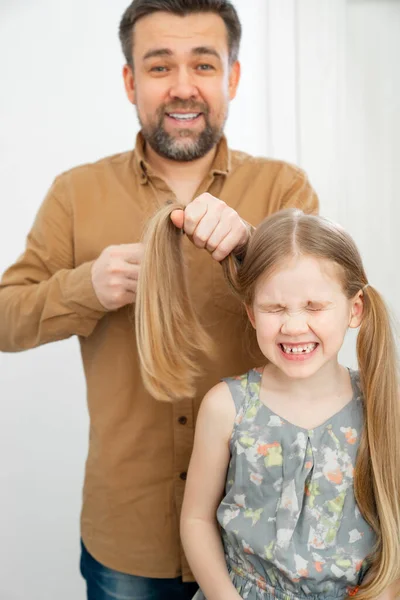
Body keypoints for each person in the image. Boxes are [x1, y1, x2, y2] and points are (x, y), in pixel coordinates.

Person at [0, 1, 318, 599]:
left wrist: (256, 252)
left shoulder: (284, 189)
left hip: (263, 529)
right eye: (158, 66)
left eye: (203, 65)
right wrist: (83, 288)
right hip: (128, 537)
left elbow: (328, 325)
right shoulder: (75, 194)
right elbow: (5, 319)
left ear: (233, 77)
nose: (182, 88)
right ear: (129, 81)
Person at [176, 209, 399, 600]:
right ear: (251, 312)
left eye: (314, 306)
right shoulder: (227, 407)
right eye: (275, 309)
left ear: (355, 309)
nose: (294, 326)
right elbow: (195, 518)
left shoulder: (381, 404)